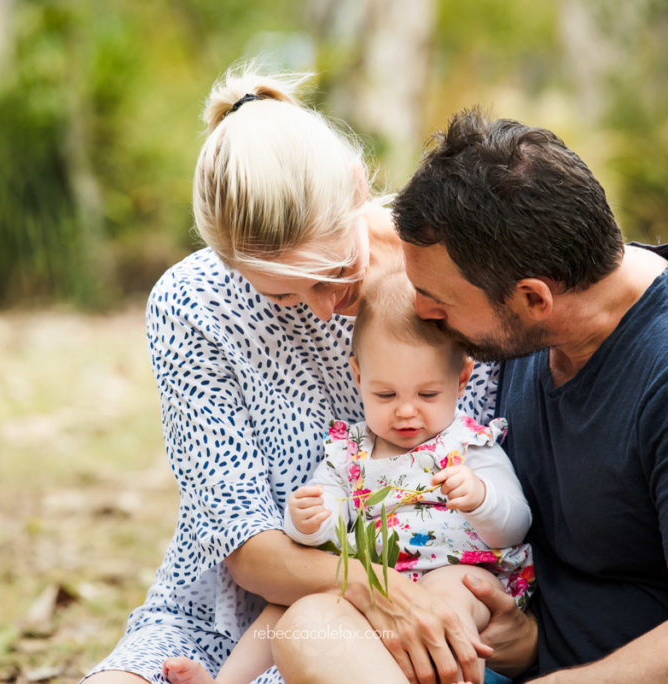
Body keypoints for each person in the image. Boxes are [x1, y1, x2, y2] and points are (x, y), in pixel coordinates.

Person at [344, 108, 668, 681]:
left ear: (532, 298)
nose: (423, 314)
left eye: (437, 300)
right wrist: (529, 639)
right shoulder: (530, 338)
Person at [83, 66, 514, 684]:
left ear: (359, 185)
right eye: (282, 296)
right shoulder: (194, 303)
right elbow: (248, 549)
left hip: (426, 602)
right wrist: (379, 586)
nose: (320, 307)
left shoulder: (453, 275)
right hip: (240, 619)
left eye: (330, 273)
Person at [160, 270, 536, 684]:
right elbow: (325, 532)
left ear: (462, 378)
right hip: (368, 583)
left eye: (427, 395)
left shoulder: (470, 445)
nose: (406, 411)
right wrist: (306, 522)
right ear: (358, 377)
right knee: (287, 607)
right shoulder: (347, 451)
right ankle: (225, 682)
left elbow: (515, 525)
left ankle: (454, 674)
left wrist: (481, 498)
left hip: (458, 569)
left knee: (450, 593)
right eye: (386, 395)